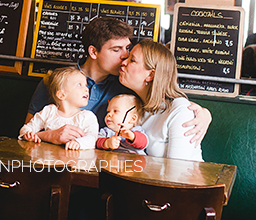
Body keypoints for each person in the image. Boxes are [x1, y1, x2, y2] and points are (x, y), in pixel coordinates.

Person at [25, 16, 211, 147]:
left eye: (127, 49)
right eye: (116, 50)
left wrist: (203, 113)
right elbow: (26, 133)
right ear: (93, 52)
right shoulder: (57, 81)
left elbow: (162, 102)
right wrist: (50, 135)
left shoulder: (125, 85)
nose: (125, 56)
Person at [117, 39, 203, 161]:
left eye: (132, 60)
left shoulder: (180, 110)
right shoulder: (132, 104)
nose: (124, 62)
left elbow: (178, 168)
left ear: (151, 75)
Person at [19, 67, 98, 150]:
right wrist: (28, 134)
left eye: (85, 85)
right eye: (79, 85)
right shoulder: (49, 111)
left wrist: (78, 143)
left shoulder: (88, 117)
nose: (86, 89)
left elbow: (93, 138)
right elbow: (26, 127)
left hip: (73, 157)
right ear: (61, 95)